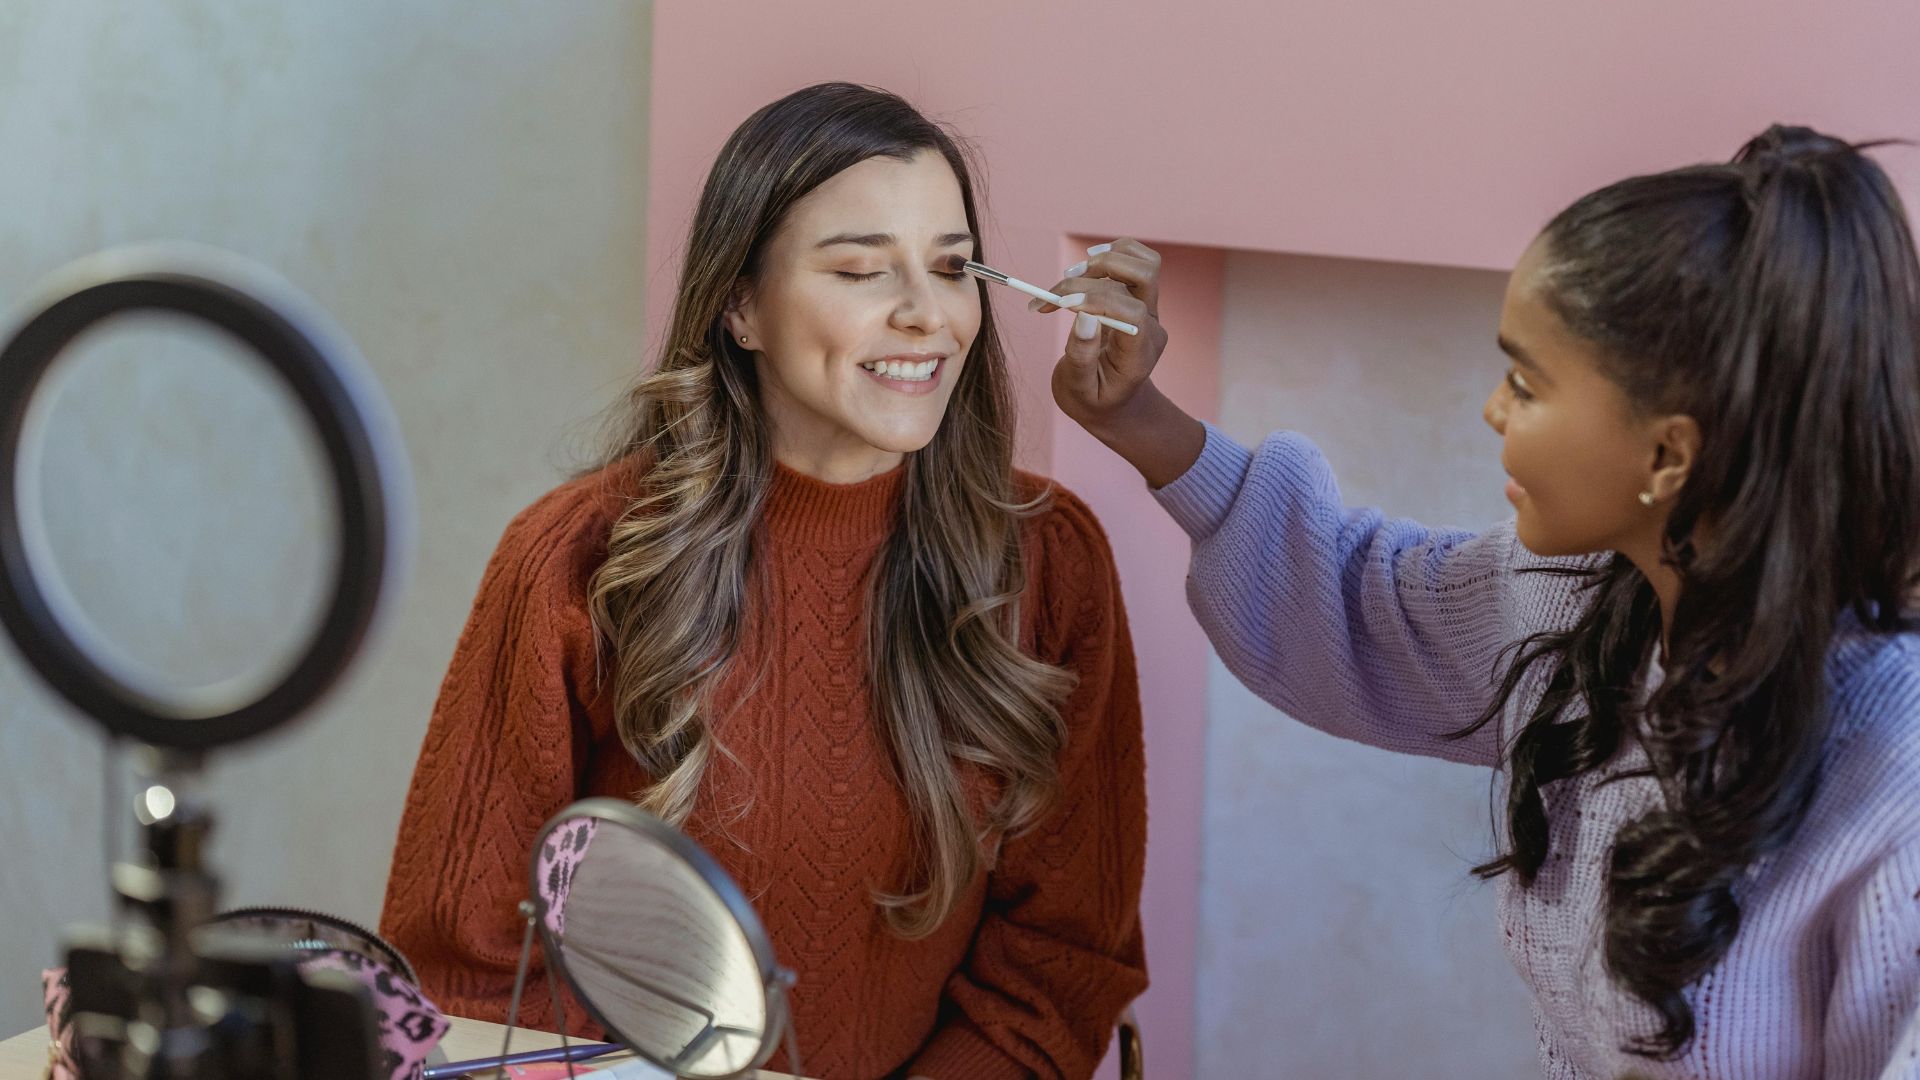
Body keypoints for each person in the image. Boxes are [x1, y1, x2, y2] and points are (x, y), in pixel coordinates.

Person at [1048, 126, 1920, 1078]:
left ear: (1669, 454)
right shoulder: (1590, 603)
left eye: (1525, 381)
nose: (1493, 412)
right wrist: (1135, 420)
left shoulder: (1896, 775)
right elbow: (1358, 597)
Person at [380, 82, 1147, 1080]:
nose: (926, 315)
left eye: (953, 269)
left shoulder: (1052, 564)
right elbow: (465, 972)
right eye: (864, 270)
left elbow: (1056, 974)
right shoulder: (574, 558)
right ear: (740, 304)